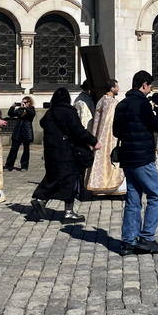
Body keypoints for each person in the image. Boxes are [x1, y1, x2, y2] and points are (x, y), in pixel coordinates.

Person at [114, 71, 158, 255]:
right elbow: (157, 126)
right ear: (144, 84)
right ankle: (146, 237)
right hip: (142, 157)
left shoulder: (121, 104)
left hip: (127, 158)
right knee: (156, 195)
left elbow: (116, 131)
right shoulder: (142, 104)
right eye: (150, 86)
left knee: (133, 198)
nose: (150, 89)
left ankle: (128, 241)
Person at [31, 88, 98, 223]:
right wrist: (93, 141)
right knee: (71, 180)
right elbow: (78, 131)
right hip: (67, 153)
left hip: (51, 153)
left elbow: (43, 124)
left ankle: (41, 201)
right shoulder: (68, 112)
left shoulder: (50, 113)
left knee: (54, 178)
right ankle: (67, 211)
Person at [87, 80, 126, 196]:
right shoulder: (111, 103)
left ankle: (98, 188)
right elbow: (111, 123)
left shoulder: (101, 100)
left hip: (99, 137)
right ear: (112, 88)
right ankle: (112, 188)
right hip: (110, 139)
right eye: (117, 86)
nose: (118, 89)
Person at [4, 96, 36, 171]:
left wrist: (26, 108)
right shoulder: (20, 110)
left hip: (27, 130)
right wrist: (12, 107)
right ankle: (9, 165)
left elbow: (32, 115)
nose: (23, 104)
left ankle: (24, 166)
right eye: (22, 102)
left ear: (29, 103)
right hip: (18, 130)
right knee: (14, 149)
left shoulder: (31, 109)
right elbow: (11, 114)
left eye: (24, 102)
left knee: (26, 150)